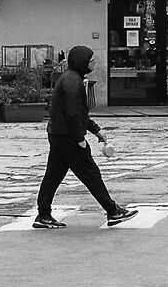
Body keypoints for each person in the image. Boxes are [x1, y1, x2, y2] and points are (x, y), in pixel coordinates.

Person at [36, 44, 137, 229]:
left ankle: (43, 215)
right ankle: (113, 211)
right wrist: (79, 139)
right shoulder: (72, 83)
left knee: (53, 176)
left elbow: (80, 113)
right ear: (82, 62)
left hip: (59, 134)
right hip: (68, 137)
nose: (94, 63)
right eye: (91, 60)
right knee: (91, 174)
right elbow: (73, 114)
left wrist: (96, 130)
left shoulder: (72, 78)